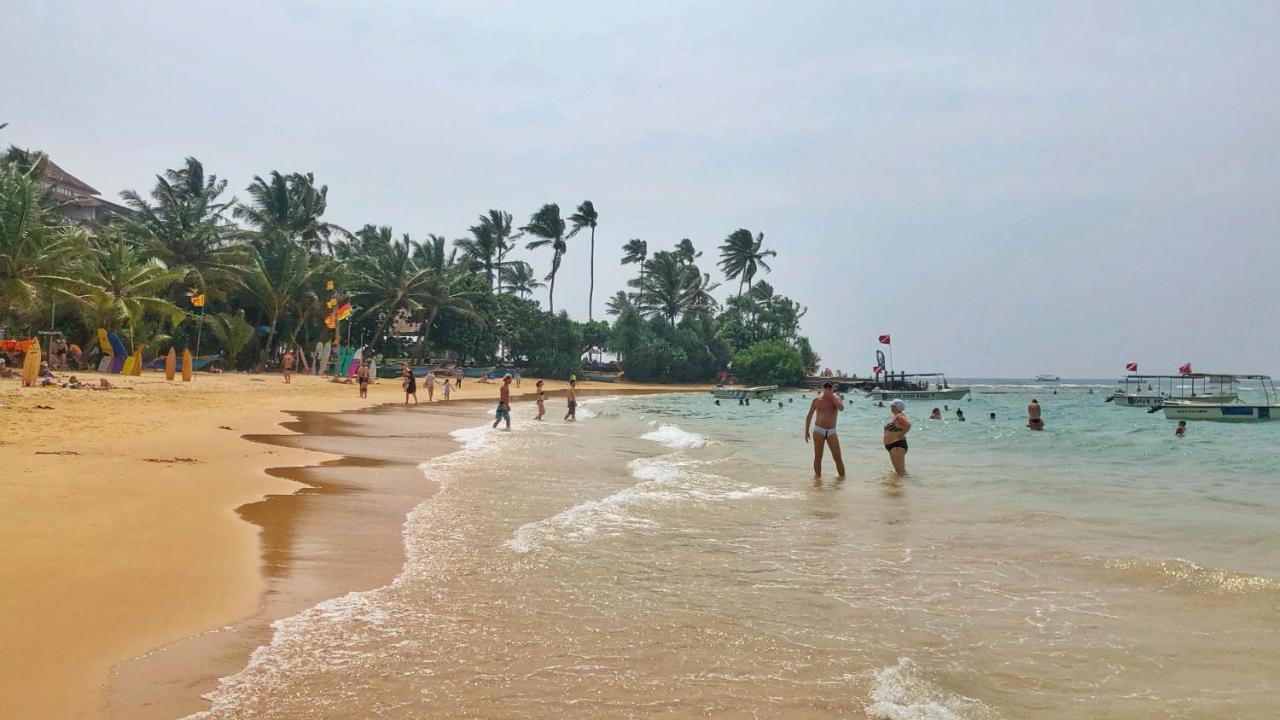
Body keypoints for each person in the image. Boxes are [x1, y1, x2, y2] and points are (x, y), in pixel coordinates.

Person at [804, 381, 846, 478]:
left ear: (832, 388)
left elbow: (841, 408)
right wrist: (806, 431)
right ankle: (818, 479)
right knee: (818, 457)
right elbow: (809, 415)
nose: (827, 388)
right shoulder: (817, 400)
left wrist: (832, 397)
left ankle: (842, 480)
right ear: (822, 388)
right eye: (825, 386)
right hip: (818, 430)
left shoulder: (837, 399)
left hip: (831, 431)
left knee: (838, 458)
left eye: (829, 386)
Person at [884, 399, 912, 476]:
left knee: (901, 471)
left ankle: (910, 485)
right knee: (898, 470)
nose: (890, 407)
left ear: (896, 407)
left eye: (892, 406)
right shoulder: (896, 416)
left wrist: (902, 435)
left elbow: (908, 425)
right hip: (893, 445)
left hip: (897, 445)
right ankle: (900, 487)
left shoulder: (899, 416)